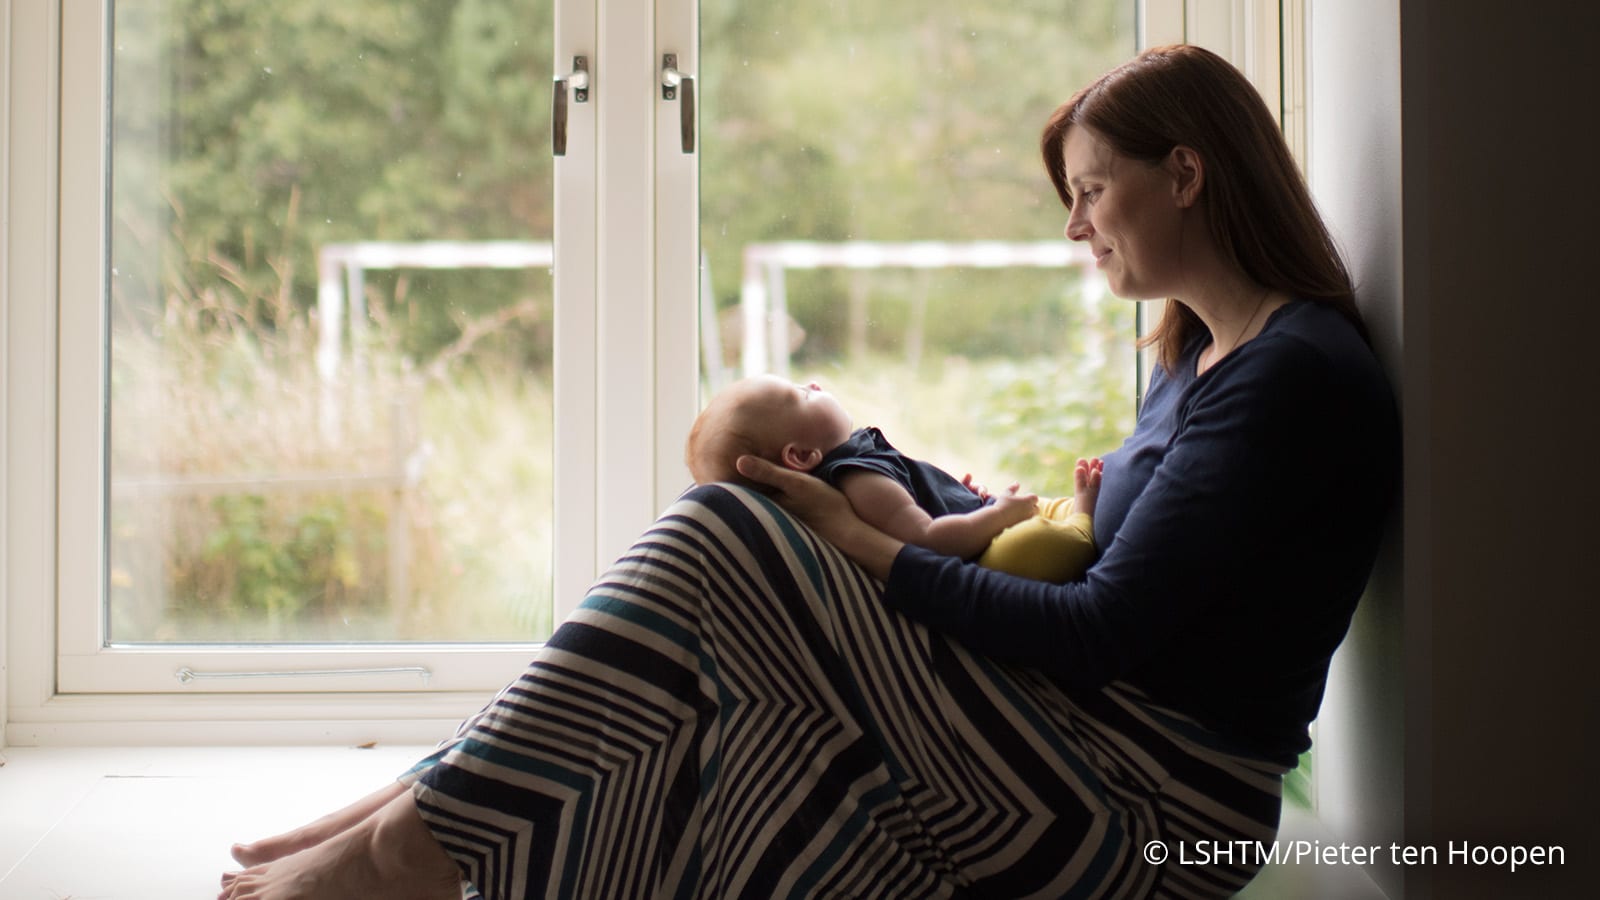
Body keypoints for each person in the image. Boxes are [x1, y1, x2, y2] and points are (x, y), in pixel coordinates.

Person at [219, 44, 1399, 900]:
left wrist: (866, 544)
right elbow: (1149, 582)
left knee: (722, 536)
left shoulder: (1290, 373)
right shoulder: (1201, 354)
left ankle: (404, 848)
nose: (1076, 224)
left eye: (1092, 189)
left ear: (1185, 174)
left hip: (1150, 811)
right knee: (717, 666)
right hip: (1081, 746)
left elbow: (1100, 635)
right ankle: (424, 825)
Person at [685, 372, 1103, 584]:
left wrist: (953, 496)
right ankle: (1082, 520)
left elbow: (918, 509)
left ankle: (1076, 515)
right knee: (1046, 543)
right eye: (803, 395)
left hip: (973, 530)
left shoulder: (854, 467)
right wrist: (995, 518)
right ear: (800, 456)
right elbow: (926, 541)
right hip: (989, 559)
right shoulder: (857, 477)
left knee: (1051, 506)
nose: (814, 384)